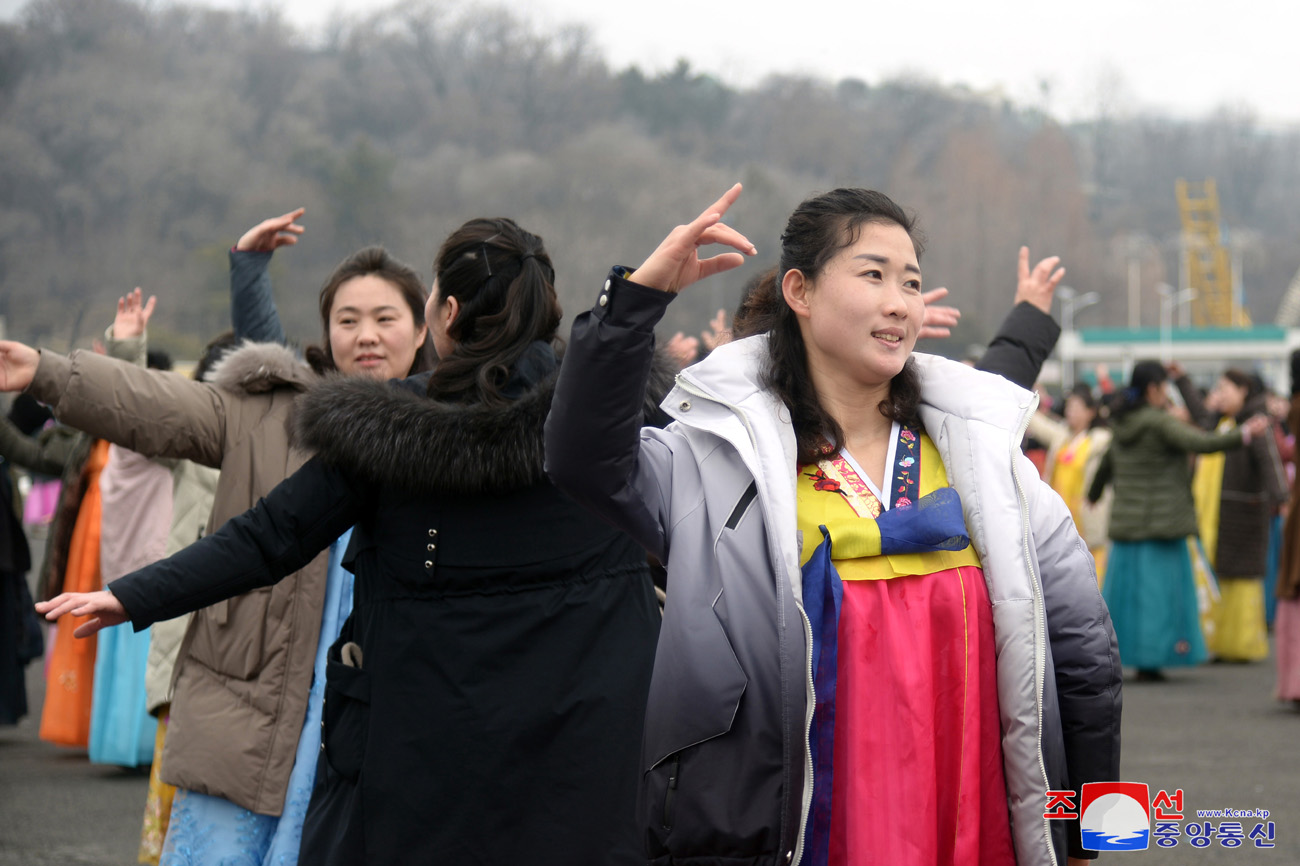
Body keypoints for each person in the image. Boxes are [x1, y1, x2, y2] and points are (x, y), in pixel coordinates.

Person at [34, 216, 662, 865]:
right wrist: (637, 304)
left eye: (391, 315)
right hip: (590, 753)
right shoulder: (614, 427)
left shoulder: (381, 433)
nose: (366, 336)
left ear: (440, 316)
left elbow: (268, 535)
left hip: (419, 762)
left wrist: (132, 596)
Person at [545, 185, 1120, 866]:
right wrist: (632, 306)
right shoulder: (718, 462)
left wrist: (1098, 829)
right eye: (872, 275)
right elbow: (584, 461)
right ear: (800, 290)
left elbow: (1085, 651)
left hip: (970, 827)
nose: (900, 302)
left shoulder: (987, 463)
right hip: (788, 829)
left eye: (910, 281)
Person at [0, 241, 431, 864]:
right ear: (326, 332)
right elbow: (154, 406)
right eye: (347, 319)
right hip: (250, 707)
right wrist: (46, 373)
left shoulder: (448, 437)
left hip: (378, 722)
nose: (366, 335)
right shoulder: (271, 414)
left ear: (423, 329)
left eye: (385, 318)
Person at [1088, 361, 1269, 681]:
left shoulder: (1123, 424)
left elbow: (1106, 464)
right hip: (1162, 525)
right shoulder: (1159, 423)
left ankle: (1125, 656)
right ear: (1153, 389)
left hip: (1129, 528)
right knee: (1160, 600)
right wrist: (1243, 434)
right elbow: (1202, 443)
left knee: (1128, 600)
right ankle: (1154, 657)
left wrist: (1094, 492)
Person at [1172, 365, 1287, 662]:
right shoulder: (1223, 422)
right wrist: (1183, 380)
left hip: (1243, 514)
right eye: (1218, 389)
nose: (1219, 395)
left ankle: (1242, 644)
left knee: (1242, 579)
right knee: (1219, 577)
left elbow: (1270, 462)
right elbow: (1199, 413)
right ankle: (1220, 643)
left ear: (1243, 391)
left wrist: (1283, 498)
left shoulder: (1256, 423)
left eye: (1225, 389)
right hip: (1217, 513)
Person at [1029, 383, 1113, 583]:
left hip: (1086, 517)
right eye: (1069, 407)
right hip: (1061, 516)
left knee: (1093, 576)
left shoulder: (1100, 440)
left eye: (1077, 407)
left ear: (1091, 412)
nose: (1071, 412)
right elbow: (1039, 425)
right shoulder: (1063, 437)